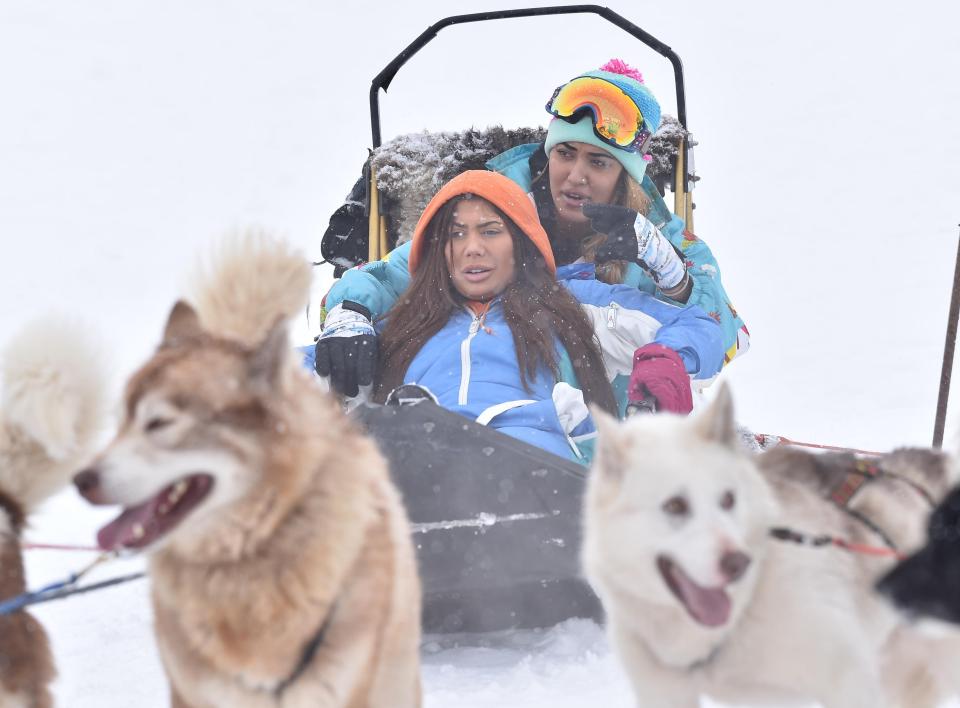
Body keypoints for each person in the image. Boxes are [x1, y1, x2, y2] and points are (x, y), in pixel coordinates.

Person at [316, 59, 746, 407]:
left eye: (598, 162)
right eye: (565, 153)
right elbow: (394, 273)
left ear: (625, 176)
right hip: (466, 401)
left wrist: (674, 276)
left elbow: (725, 336)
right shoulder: (491, 211)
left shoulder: (662, 238)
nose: (575, 176)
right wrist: (350, 311)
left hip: (602, 428)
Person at [318, 170, 723, 462]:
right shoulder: (405, 326)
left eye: (490, 231)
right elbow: (289, 375)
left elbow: (699, 327)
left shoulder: (570, 306)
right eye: (457, 234)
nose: (472, 248)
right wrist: (343, 324)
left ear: (520, 243)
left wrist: (665, 359)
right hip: (413, 471)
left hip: (535, 475)